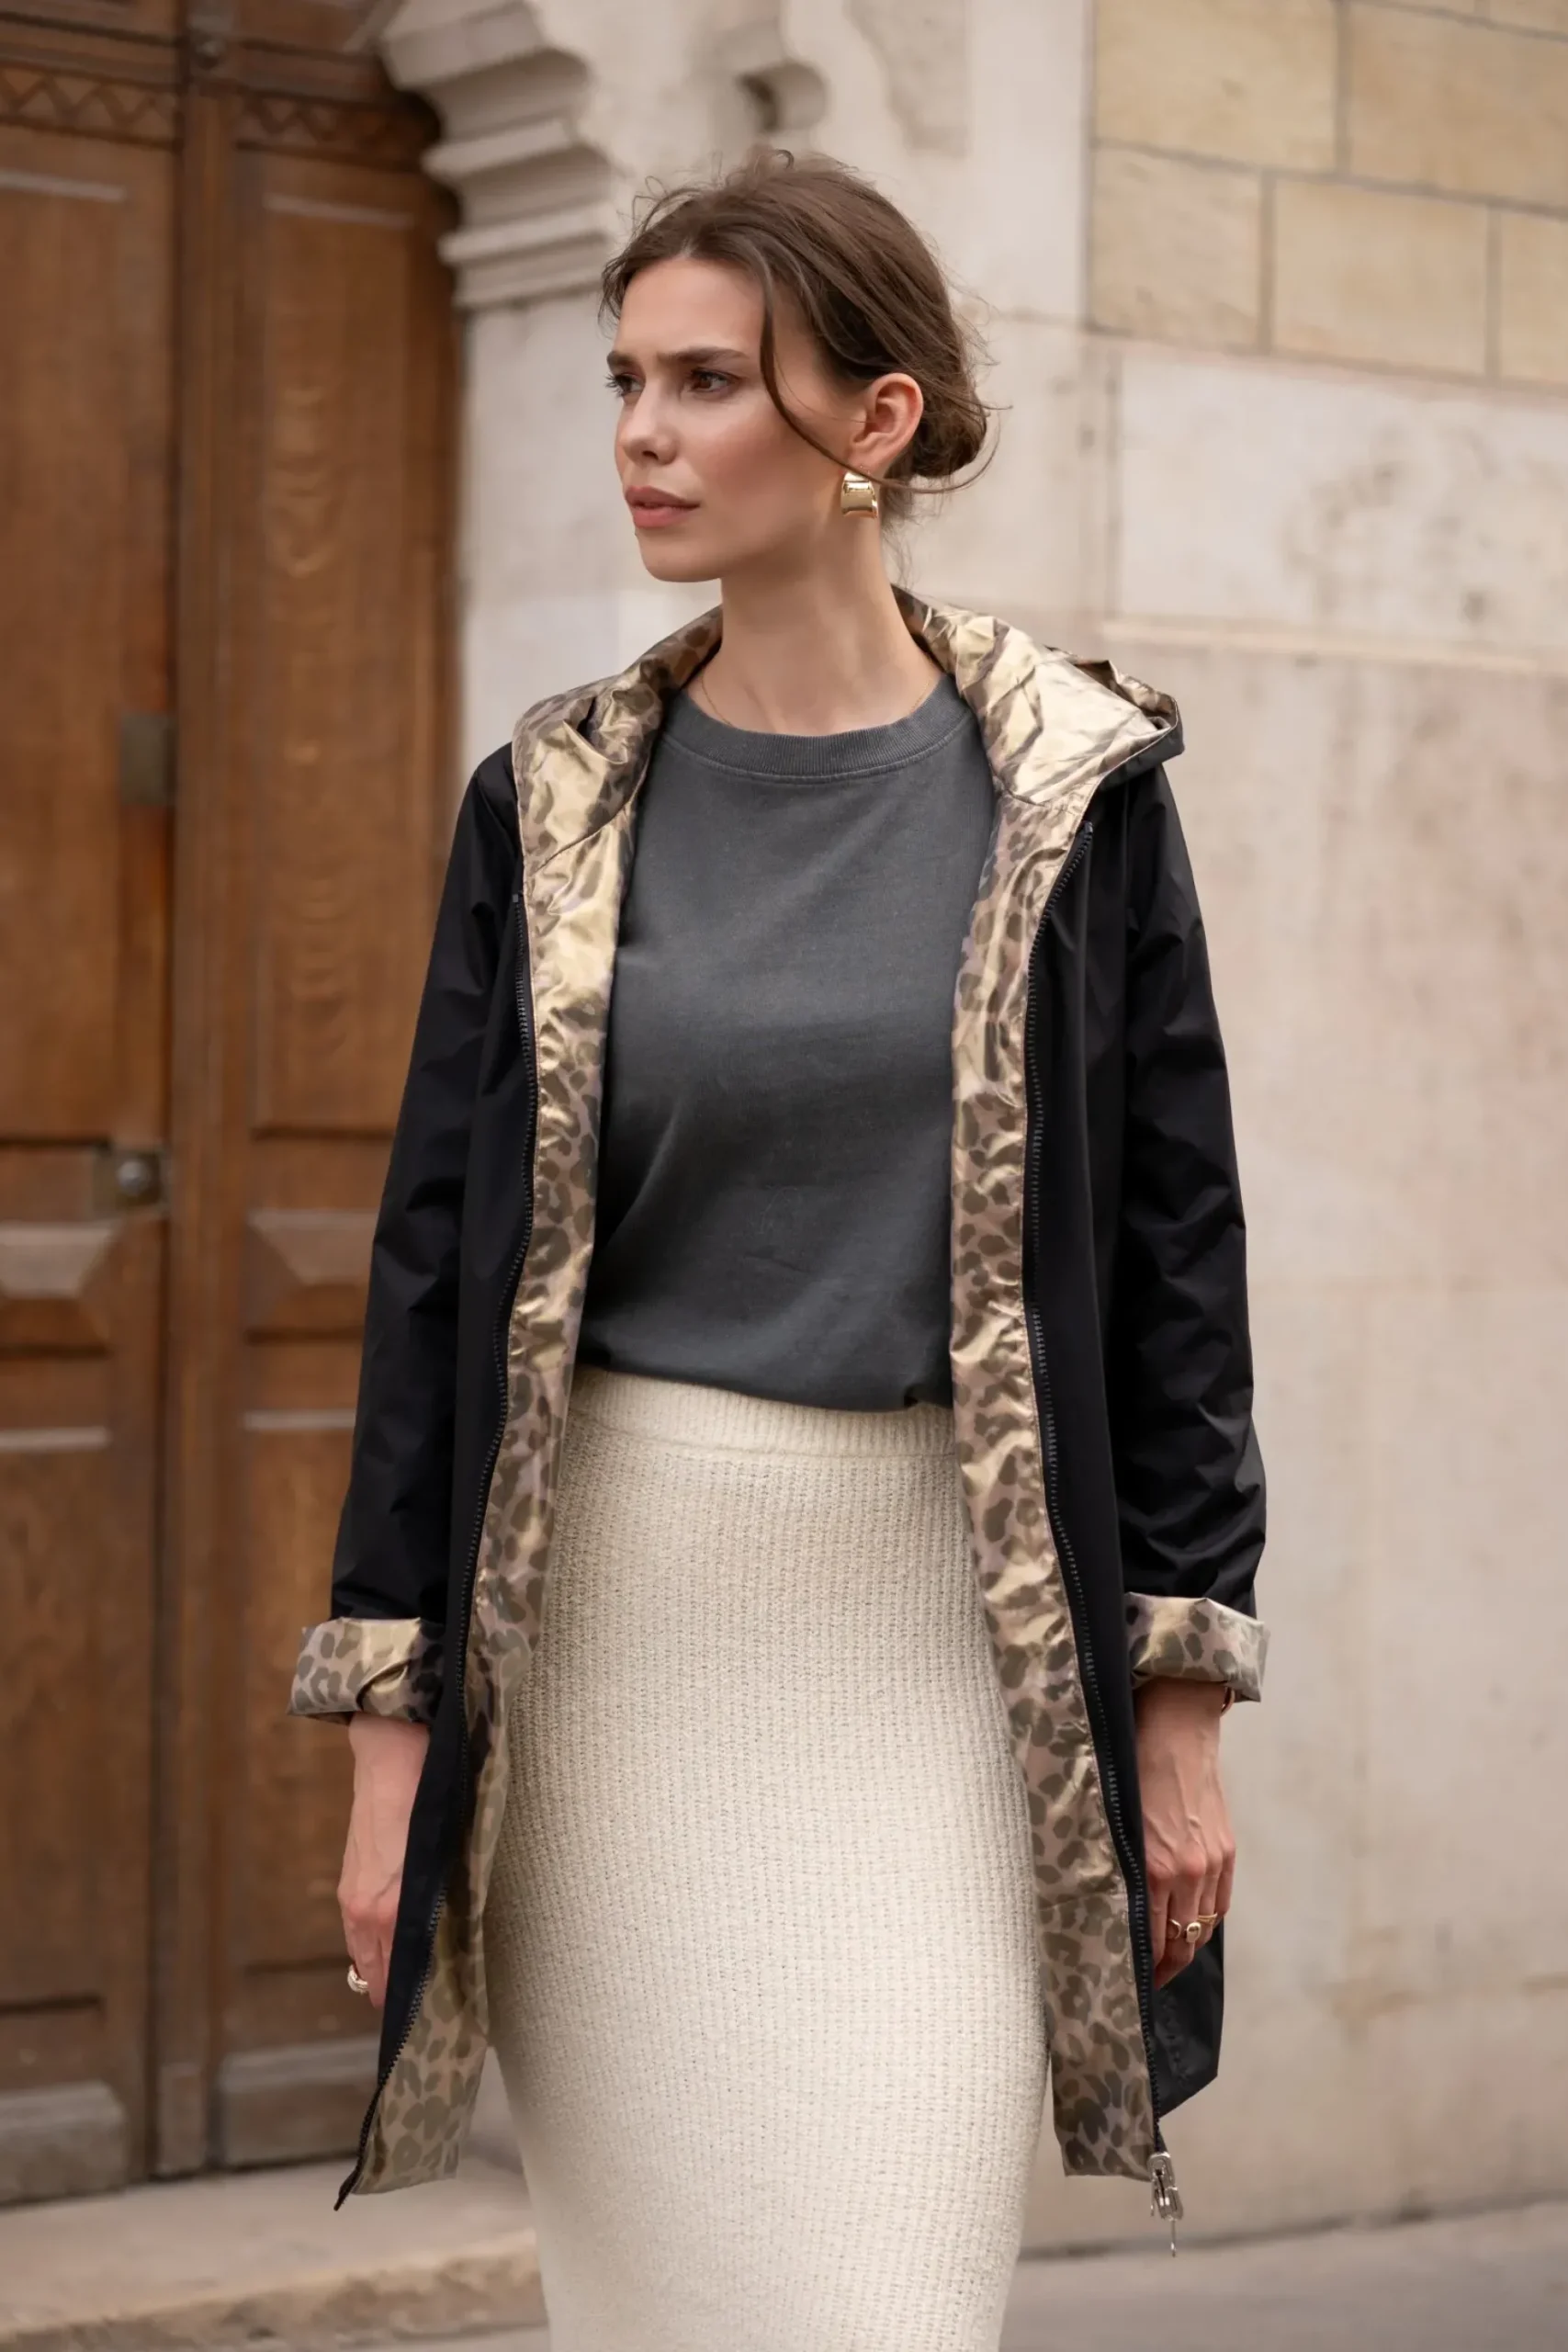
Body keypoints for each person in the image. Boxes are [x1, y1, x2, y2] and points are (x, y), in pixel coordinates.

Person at [289, 150, 1268, 2352]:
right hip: (609, 1653)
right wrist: (390, 1750)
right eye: (624, 379)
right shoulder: (548, 804)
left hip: (945, 1660)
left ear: (873, 422)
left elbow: (1175, 1259)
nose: (642, 432)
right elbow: (432, 1276)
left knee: (881, 2301)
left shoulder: (1077, 795)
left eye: (707, 381)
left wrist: (1181, 1705)